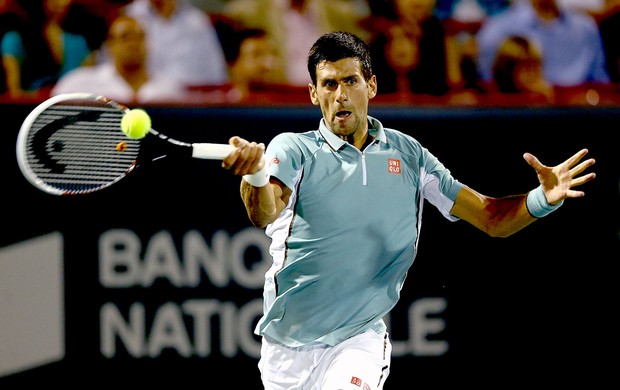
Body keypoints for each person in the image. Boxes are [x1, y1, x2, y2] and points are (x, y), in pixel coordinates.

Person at [218, 31, 596, 389]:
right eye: (329, 84)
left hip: (358, 339)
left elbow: (490, 217)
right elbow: (265, 213)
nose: (341, 95)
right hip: (286, 347)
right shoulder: (294, 148)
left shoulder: (410, 155)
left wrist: (541, 200)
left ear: (372, 86)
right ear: (314, 94)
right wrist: (254, 176)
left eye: (350, 81)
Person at [51, 13, 187, 104]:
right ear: (110, 44)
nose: (133, 44)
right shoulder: (76, 84)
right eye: (125, 37)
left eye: (140, 36)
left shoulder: (170, 88)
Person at [476, 0, 610, 88]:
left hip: (579, 113)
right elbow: (489, 85)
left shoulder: (586, 28)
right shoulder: (495, 31)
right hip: (520, 114)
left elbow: (601, 82)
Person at [123, 0, 229, 87]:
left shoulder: (198, 22)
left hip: (190, 104)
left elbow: (218, 75)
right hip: (145, 100)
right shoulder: (130, 18)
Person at [1, 0, 94, 98]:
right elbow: (15, 92)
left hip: (72, 107)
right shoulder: (15, 39)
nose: (60, 3)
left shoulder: (79, 41)